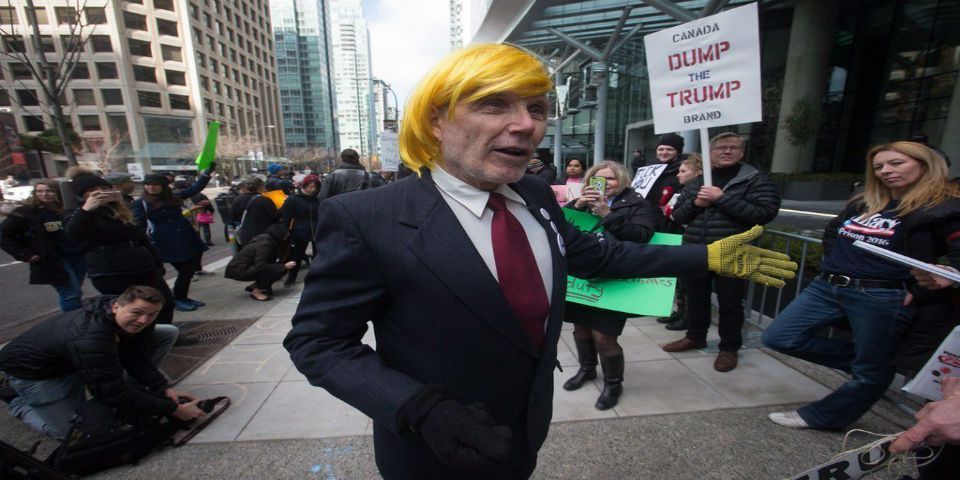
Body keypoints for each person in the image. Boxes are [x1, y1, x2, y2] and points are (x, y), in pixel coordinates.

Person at [283, 44, 795, 480]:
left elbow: (598, 254)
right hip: (432, 451)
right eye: (493, 104)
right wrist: (419, 410)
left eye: (537, 107)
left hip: (527, 428)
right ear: (436, 120)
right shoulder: (365, 217)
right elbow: (318, 342)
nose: (526, 125)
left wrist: (701, 255)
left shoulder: (534, 193)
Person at [762, 141, 960, 432]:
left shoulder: (943, 209)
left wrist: (934, 280)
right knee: (779, 337)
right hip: (827, 287)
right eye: (879, 166)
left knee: (871, 370)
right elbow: (833, 235)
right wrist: (837, 262)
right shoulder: (864, 201)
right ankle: (873, 368)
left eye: (896, 163)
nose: (886, 171)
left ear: (924, 163)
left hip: (882, 294)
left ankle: (826, 415)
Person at [0, 286, 204, 440]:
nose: (143, 320)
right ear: (116, 306)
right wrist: (173, 410)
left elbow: (137, 359)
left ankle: (128, 386)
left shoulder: (139, 321)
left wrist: (163, 388)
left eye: (151, 315)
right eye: (136, 313)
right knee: (70, 434)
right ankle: (17, 401)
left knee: (167, 332)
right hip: (34, 370)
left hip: (74, 357)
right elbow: (111, 393)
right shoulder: (92, 337)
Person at [663, 132, 782, 372]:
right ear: (710, 153)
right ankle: (695, 336)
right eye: (721, 148)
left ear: (741, 152)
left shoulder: (755, 180)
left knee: (730, 302)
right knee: (696, 298)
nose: (727, 151)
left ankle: (729, 348)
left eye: (733, 148)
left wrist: (722, 198)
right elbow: (677, 215)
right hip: (696, 250)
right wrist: (696, 204)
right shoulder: (697, 181)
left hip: (733, 251)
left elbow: (763, 214)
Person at [560, 160, 662, 410]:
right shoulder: (581, 201)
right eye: (599, 178)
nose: (605, 184)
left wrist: (608, 214)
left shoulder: (637, 203)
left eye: (611, 179)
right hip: (583, 278)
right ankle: (587, 370)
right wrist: (577, 206)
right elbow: (560, 229)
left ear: (622, 181)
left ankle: (613, 384)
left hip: (615, 279)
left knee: (604, 338)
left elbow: (642, 236)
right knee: (581, 330)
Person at [63, 168, 176, 325]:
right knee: (128, 310)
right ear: (82, 195)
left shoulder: (119, 209)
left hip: (141, 265)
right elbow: (72, 235)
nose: (100, 193)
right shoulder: (77, 214)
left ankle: (164, 334)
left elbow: (141, 238)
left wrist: (156, 262)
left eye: (104, 188)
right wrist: (87, 210)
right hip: (110, 271)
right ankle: (137, 341)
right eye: (92, 191)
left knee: (163, 300)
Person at [1, 180, 87, 312]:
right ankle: (73, 323)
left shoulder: (68, 208)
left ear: (58, 192)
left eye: (49, 190)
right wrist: (25, 254)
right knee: (71, 294)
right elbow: (4, 235)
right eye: (40, 191)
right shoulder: (27, 212)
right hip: (53, 260)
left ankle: (76, 320)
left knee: (75, 291)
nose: (44, 194)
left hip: (77, 256)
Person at [132, 171, 213, 312]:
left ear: (163, 186)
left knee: (189, 270)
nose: (151, 187)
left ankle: (182, 297)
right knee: (182, 270)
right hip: (164, 241)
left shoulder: (173, 197)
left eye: (155, 185)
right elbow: (139, 225)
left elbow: (195, 188)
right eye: (147, 185)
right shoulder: (141, 203)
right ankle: (176, 299)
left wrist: (207, 173)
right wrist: (142, 244)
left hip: (185, 237)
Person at [659, 153, 704, 332]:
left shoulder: (695, 189)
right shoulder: (686, 189)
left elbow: (678, 214)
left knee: (687, 282)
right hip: (681, 237)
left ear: (698, 172)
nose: (679, 175)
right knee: (680, 280)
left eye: (683, 171)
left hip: (688, 239)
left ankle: (686, 317)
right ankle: (681, 311)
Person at [225, 224, 296, 301]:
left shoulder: (269, 240)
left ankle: (255, 286)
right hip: (239, 270)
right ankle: (257, 291)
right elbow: (261, 265)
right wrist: (284, 266)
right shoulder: (265, 244)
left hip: (243, 267)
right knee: (279, 270)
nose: (286, 238)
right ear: (279, 235)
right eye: (285, 236)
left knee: (278, 268)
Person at [279, 174, 320, 287]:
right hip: (299, 231)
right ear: (304, 186)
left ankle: (317, 277)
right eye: (310, 186)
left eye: (315, 187)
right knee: (296, 255)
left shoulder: (318, 199)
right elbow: (286, 218)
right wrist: (285, 231)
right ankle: (292, 277)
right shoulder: (293, 199)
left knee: (319, 256)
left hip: (317, 231)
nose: (313, 189)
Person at [316, 149, 385, 201]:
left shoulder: (332, 177)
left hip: (340, 214)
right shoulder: (372, 177)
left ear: (342, 159)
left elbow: (323, 198)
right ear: (358, 159)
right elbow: (382, 195)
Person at [231, 176, 280, 248]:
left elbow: (233, 217)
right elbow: (275, 216)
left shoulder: (237, 200)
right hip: (263, 235)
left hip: (246, 235)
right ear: (260, 187)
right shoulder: (265, 200)